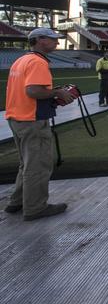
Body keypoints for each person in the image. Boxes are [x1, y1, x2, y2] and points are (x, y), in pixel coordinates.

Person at [4, 27, 75, 221]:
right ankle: (35, 207)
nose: (57, 43)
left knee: (26, 164)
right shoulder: (37, 62)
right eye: (53, 39)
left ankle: (17, 201)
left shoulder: (21, 60)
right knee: (39, 165)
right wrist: (57, 93)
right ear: (40, 40)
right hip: (31, 120)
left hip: (16, 118)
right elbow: (33, 91)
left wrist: (53, 91)